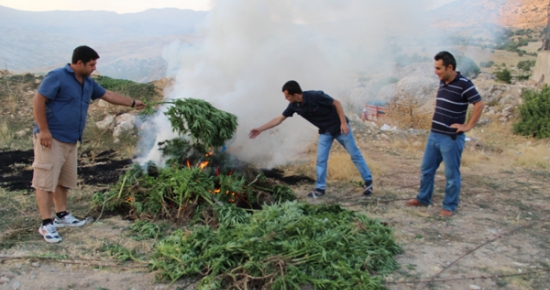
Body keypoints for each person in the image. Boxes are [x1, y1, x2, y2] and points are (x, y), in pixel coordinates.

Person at [32, 45, 145, 243]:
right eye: (91, 64)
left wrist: (134, 102)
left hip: (70, 138)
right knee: (45, 180)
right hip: (52, 137)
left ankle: (61, 215)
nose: (94, 68)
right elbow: (38, 100)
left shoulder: (87, 82)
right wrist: (44, 130)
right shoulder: (57, 76)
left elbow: (108, 95)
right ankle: (46, 224)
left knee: (63, 180)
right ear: (78, 63)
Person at [249, 80, 373, 198]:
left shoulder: (315, 96)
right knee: (321, 160)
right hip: (325, 132)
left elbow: (336, 103)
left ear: (295, 94)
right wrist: (260, 129)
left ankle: (368, 183)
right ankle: (320, 188)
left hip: (339, 128)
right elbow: (279, 118)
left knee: (354, 155)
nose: (285, 98)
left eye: (287, 96)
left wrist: (343, 123)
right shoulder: (294, 105)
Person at [405, 51, 485, 217]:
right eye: (435, 68)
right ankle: (423, 199)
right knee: (426, 169)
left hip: (451, 138)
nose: (436, 72)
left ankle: (449, 206)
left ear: (450, 67)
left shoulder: (464, 84)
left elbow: (479, 103)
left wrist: (468, 126)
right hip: (434, 135)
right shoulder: (443, 81)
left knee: (451, 174)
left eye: (439, 68)